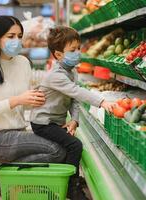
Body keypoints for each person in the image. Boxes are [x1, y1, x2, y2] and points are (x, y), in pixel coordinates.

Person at [0, 16, 66, 195]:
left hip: (18, 132)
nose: (17, 41)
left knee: (62, 142)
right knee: (56, 150)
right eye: (10, 36)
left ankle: (0, 170)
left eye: (19, 36)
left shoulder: (23, 63)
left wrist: (40, 102)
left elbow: (24, 104)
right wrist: (17, 100)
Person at [30, 26, 116, 200]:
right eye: (72, 50)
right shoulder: (56, 75)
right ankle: (72, 188)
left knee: (69, 145)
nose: (78, 53)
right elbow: (76, 92)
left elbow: (74, 100)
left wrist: (74, 121)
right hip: (43, 123)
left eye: (78, 48)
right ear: (58, 54)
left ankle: (70, 179)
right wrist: (102, 102)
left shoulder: (72, 71)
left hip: (55, 120)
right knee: (75, 145)